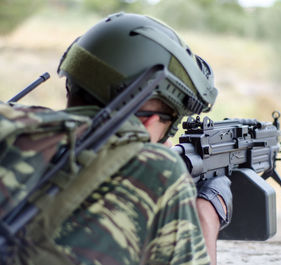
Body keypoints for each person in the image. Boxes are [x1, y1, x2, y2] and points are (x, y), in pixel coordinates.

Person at [47, 12, 232, 265]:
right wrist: (206, 214)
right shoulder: (159, 174)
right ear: (148, 121)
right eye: (171, 123)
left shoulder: (11, 134)